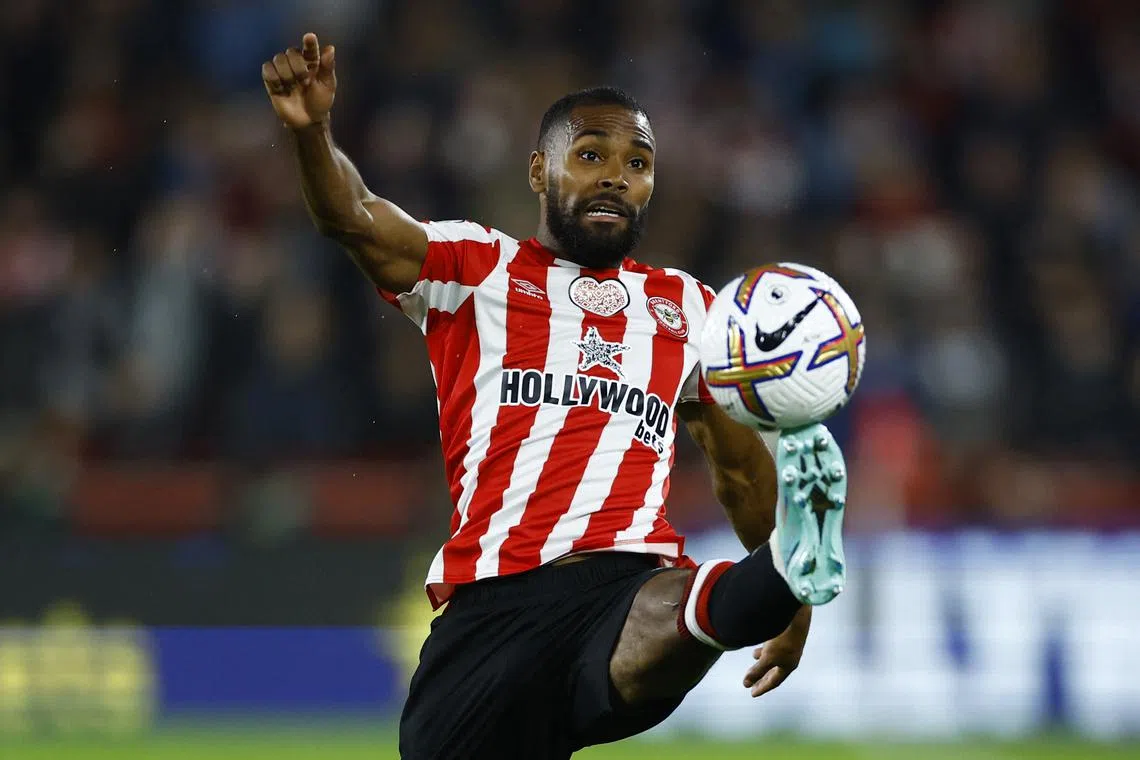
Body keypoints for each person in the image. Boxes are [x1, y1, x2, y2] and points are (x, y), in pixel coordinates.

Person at [262, 33, 850, 759]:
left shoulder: (690, 309)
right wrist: (313, 133)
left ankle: (794, 557)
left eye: (637, 163)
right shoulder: (478, 269)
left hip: (626, 586)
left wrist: (785, 602)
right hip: (494, 607)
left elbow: (736, 471)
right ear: (540, 171)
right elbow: (351, 216)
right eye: (591, 155)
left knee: (679, 608)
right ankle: (774, 576)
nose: (614, 177)